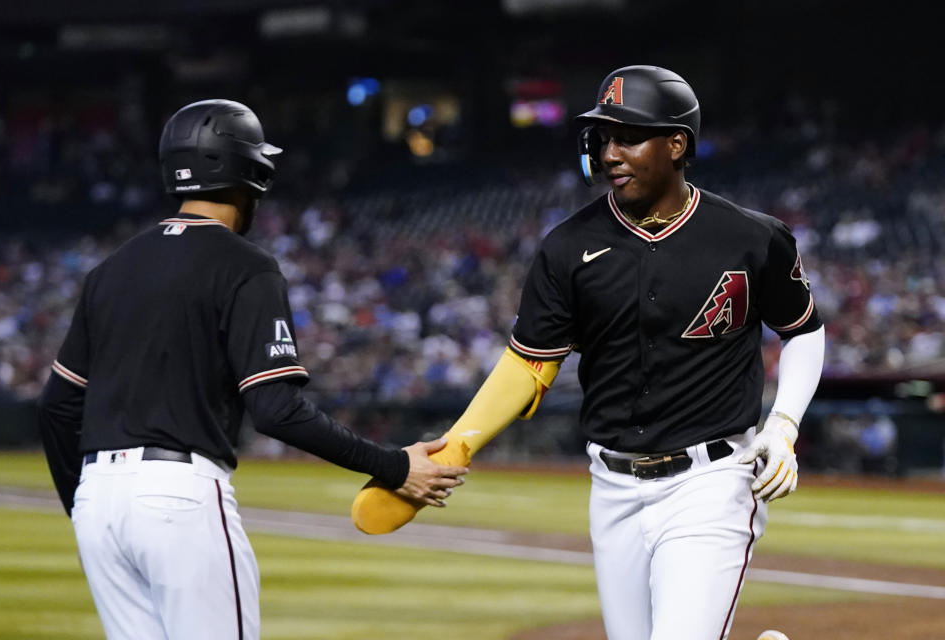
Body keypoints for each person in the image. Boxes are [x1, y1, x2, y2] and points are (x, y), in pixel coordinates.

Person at [351, 66, 823, 640]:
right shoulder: (568, 246)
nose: (610, 153)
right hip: (613, 487)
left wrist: (785, 424)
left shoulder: (751, 237)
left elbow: (803, 330)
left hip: (712, 481)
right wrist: (457, 447)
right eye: (602, 138)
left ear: (676, 144)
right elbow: (529, 364)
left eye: (628, 136)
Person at [37, 99, 467, 640]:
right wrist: (393, 466)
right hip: (178, 496)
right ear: (251, 173)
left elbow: (57, 406)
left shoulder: (110, 268)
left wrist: (82, 507)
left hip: (97, 502)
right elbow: (277, 410)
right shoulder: (246, 266)